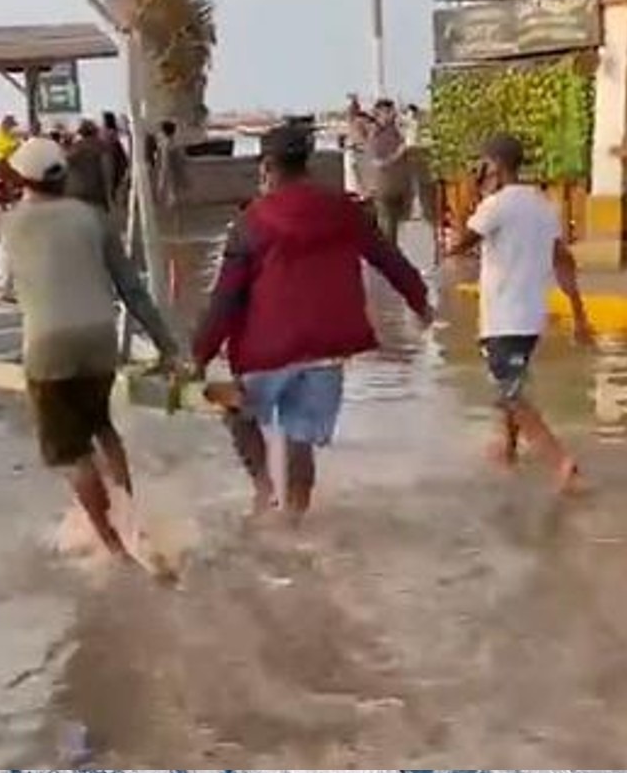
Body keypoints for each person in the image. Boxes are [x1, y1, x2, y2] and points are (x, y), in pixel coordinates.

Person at [192, 124, 432, 526]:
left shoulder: (252, 222)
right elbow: (388, 258)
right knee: (299, 436)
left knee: (237, 409)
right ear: (307, 164)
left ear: (267, 167)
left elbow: (226, 298)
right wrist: (420, 301)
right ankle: (295, 524)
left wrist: (200, 354)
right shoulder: (344, 210)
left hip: (267, 349)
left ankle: (265, 489)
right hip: (327, 348)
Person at [0, 137, 179, 561]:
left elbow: (12, 289)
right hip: (100, 339)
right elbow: (132, 289)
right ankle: (131, 517)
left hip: (48, 346)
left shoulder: (8, 225)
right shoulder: (94, 218)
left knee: (71, 452)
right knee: (102, 427)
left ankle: (114, 545)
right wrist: (167, 345)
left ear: (23, 180)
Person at [443, 134, 594, 494]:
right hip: (530, 318)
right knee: (513, 383)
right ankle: (508, 449)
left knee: (510, 394)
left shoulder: (495, 207)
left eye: (482, 164)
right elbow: (563, 260)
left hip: (503, 319)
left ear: (493, 165)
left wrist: (471, 194)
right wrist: (579, 313)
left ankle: (560, 461)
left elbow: (455, 245)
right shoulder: (542, 204)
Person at [364, 99, 410, 244]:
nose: (392, 114)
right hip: (383, 189)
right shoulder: (374, 134)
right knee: (387, 230)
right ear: (379, 114)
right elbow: (377, 162)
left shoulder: (396, 131)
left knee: (393, 229)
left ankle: (391, 254)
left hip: (397, 187)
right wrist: (398, 154)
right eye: (388, 112)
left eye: (392, 111)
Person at [65, 119, 115, 213]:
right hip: (96, 195)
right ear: (95, 132)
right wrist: (109, 197)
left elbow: (67, 169)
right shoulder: (103, 147)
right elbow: (108, 173)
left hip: (78, 195)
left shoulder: (75, 148)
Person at [101, 111, 130, 200]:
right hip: (113, 157)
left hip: (110, 157)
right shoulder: (113, 132)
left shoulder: (108, 132)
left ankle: (112, 197)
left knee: (111, 180)